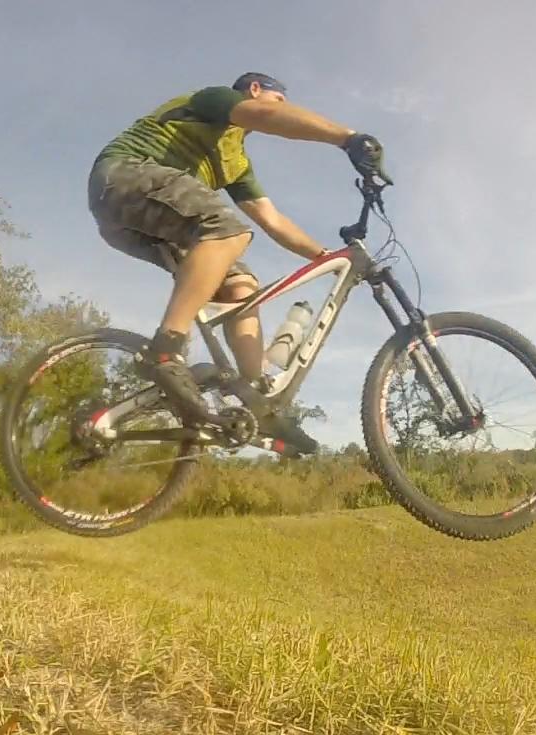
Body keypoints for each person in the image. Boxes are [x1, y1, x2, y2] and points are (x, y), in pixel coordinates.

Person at [87, 71, 385, 455]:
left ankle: (257, 398)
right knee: (227, 232)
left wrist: (327, 258)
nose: (281, 108)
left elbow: (271, 219)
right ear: (256, 90)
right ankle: (165, 349)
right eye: (279, 100)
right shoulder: (214, 100)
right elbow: (267, 117)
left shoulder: (235, 162)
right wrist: (347, 138)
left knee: (240, 285)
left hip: (141, 219)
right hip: (125, 176)